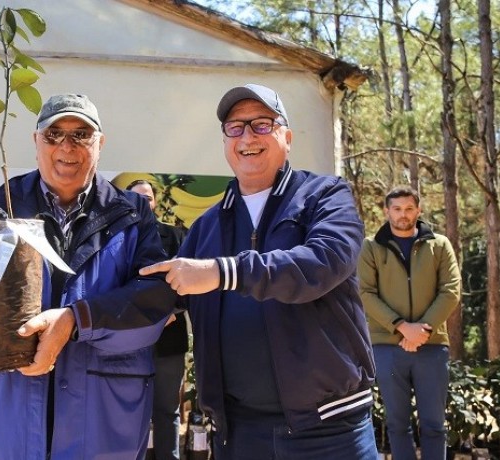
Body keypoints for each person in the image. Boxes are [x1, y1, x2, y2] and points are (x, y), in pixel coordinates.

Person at [0, 93, 177, 460]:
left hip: (105, 434)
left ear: (100, 143)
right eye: (53, 135)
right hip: (8, 427)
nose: (67, 146)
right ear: (36, 142)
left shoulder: (131, 215)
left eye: (81, 135)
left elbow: (155, 299)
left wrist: (77, 320)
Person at [140, 83, 378, 459]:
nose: (247, 136)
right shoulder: (206, 227)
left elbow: (323, 262)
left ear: (287, 136)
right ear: (225, 143)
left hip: (328, 430)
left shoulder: (326, 196)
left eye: (261, 124)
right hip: (240, 433)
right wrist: (80, 314)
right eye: (235, 128)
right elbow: (166, 294)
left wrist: (224, 272)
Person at [357, 186, 461, 460]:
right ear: (387, 211)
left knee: (434, 425)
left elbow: (451, 290)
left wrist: (423, 329)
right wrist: (402, 327)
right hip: (388, 347)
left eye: (409, 208)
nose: (403, 215)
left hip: (432, 345)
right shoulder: (370, 247)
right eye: (397, 209)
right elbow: (365, 292)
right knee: (397, 424)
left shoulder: (439, 245)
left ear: (419, 209)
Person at [126, 179, 188, 460]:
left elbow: (190, 284)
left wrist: (168, 314)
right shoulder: (117, 242)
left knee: (166, 411)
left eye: (147, 198)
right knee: (126, 411)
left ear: (155, 202)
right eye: (136, 198)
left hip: (168, 340)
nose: (143, 203)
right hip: (125, 343)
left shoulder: (176, 237)